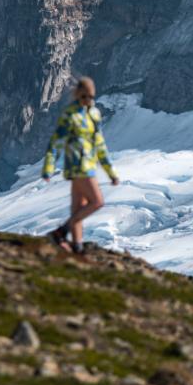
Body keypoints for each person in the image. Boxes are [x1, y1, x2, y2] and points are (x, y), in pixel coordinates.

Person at [42, 76, 119, 253]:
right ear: (77, 95)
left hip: (88, 166)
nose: (88, 100)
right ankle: (60, 232)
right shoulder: (70, 115)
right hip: (78, 167)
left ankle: (77, 247)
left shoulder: (94, 114)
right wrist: (48, 168)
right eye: (84, 97)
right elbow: (56, 142)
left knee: (78, 208)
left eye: (91, 97)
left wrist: (111, 172)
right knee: (97, 202)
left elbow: (100, 145)